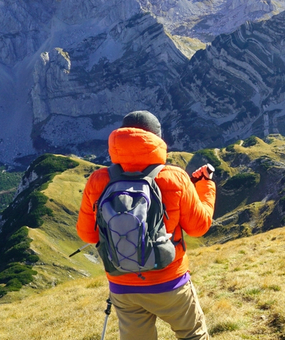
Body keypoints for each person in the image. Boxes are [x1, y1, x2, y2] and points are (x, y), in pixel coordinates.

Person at [77, 110, 216, 340]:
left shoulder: (98, 180)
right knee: (192, 334)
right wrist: (205, 187)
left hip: (122, 285)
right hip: (170, 280)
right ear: (157, 139)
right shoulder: (175, 178)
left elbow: (87, 234)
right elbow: (199, 227)